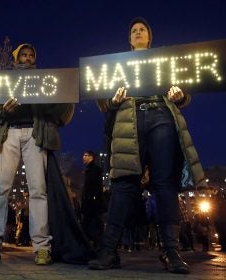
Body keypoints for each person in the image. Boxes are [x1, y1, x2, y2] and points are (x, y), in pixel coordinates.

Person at [88, 17, 207, 274]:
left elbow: (184, 92)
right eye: (134, 30)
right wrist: (112, 100)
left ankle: (171, 251)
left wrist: (180, 95)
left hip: (161, 115)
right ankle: (109, 251)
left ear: (149, 37)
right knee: (123, 183)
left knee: (165, 183)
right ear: (129, 40)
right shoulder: (116, 65)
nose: (138, 32)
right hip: (129, 119)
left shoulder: (165, 61)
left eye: (142, 29)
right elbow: (100, 96)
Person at [0, 43, 74, 265]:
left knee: (38, 190)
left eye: (31, 55)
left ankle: (42, 247)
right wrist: (3, 110)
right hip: (9, 134)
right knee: (1, 188)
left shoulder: (43, 80)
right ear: (16, 58)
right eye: (23, 55)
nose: (27, 58)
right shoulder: (3, 80)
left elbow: (60, 106)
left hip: (35, 134)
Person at [80, 150, 104, 250]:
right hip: (90, 202)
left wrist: (92, 198)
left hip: (92, 203)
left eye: (85, 155)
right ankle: (92, 242)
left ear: (91, 157)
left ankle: (95, 243)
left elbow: (95, 186)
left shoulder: (95, 169)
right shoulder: (89, 169)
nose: (83, 157)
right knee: (91, 222)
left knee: (92, 223)